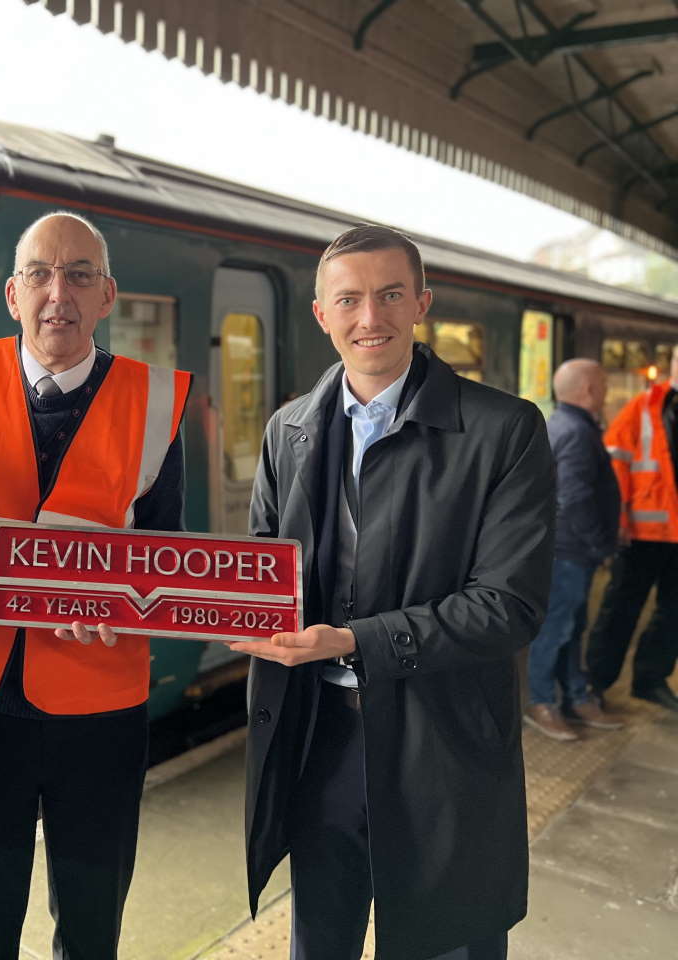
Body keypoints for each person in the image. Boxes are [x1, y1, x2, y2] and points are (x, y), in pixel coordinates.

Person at [232, 224, 554, 960]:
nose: (368, 317)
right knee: (321, 939)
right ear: (322, 314)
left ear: (421, 305)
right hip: (322, 741)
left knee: (446, 940)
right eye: (348, 299)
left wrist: (353, 641)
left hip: (443, 744)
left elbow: (510, 606)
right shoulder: (290, 432)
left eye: (388, 296)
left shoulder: (504, 430)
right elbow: (259, 564)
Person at [0, 211, 191, 958]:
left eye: (78, 275)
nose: (57, 293)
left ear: (107, 296)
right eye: (39, 273)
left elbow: (163, 555)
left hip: (100, 707)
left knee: (92, 920)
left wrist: (126, 607)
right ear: (12, 294)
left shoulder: (156, 402)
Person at [524, 359, 623, 741]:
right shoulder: (579, 433)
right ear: (587, 391)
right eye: (603, 385)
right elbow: (575, 497)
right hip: (570, 550)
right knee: (559, 627)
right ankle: (543, 702)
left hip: (566, 547)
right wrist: (600, 543)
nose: (607, 392)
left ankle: (574, 696)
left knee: (570, 627)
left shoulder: (561, 425)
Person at [584, 347, 678, 713]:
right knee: (620, 609)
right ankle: (597, 681)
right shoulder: (640, 408)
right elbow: (614, 468)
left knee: (673, 613)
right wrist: (618, 521)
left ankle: (650, 680)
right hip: (641, 533)